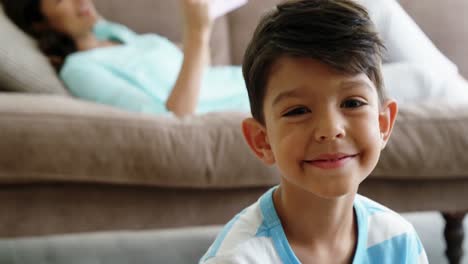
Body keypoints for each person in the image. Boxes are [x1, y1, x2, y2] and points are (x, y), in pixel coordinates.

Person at [199, 0, 428, 263]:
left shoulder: (398, 242)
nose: (330, 130)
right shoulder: (238, 258)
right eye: (298, 111)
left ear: (383, 125)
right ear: (262, 140)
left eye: (352, 103)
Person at [1, 0, 467, 118]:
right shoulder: (84, 69)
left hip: (235, 78)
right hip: (238, 100)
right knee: (424, 82)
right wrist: (198, 32)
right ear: (40, 22)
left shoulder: (114, 36)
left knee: (374, 4)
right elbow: (172, 118)